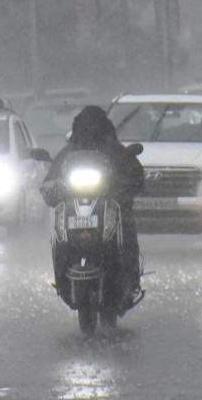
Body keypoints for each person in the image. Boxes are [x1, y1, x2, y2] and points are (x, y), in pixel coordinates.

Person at [42, 106, 144, 302]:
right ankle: (62, 276)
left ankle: (130, 279)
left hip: (109, 207)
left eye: (94, 125)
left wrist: (123, 188)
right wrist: (50, 186)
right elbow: (52, 178)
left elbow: (135, 175)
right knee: (59, 236)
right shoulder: (70, 152)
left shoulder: (115, 150)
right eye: (86, 126)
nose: (90, 129)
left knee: (126, 226)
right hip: (76, 210)